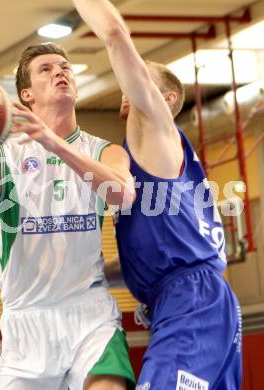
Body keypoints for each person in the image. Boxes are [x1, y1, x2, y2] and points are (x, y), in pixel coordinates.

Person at [0, 42, 137, 389]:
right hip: (27, 321)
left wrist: (53, 143)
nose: (60, 72)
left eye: (65, 67)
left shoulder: (104, 151)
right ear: (26, 94)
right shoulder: (1, 156)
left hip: (90, 313)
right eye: (46, 69)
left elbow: (124, 193)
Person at [72, 0, 242, 389]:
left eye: (141, 80)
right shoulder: (157, 160)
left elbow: (115, 34)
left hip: (191, 302)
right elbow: (156, 252)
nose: (127, 85)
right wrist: (87, 272)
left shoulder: (154, 125)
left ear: (164, 100)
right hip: (194, 299)